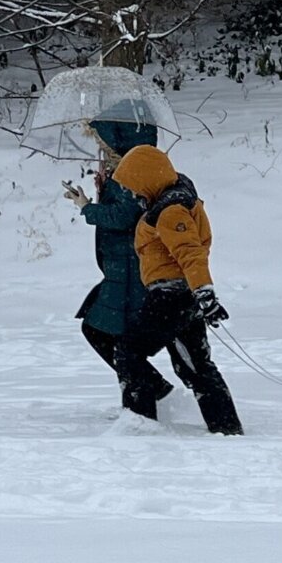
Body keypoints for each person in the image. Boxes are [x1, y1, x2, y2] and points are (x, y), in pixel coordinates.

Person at [110, 144, 244, 435]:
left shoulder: (170, 211)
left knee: (128, 352)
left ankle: (139, 423)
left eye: (134, 187)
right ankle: (226, 427)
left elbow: (190, 252)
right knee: (194, 366)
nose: (133, 194)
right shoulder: (170, 203)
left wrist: (204, 293)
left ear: (148, 179)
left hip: (171, 297)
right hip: (182, 296)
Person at [62, 105, 181, 407]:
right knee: (106, 332)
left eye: (103, 142)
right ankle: (151, 393)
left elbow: (125, 215)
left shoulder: (136, 171)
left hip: (132, 270)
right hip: (120, 270)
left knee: (110, 334)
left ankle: (150, 398)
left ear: (121, 139)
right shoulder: (126, 170)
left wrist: (87, 207)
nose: (101, 148)